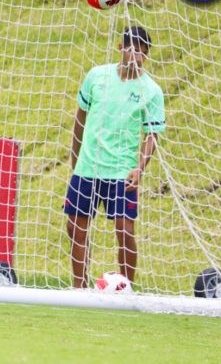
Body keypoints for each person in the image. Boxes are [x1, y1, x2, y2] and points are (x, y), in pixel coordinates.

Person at [65, 26, 166, 289]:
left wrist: (140, 168)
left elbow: (152, 134)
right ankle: (79, 288)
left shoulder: (152, 91)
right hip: (88, 167)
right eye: (132, 50)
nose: (136, 57)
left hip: (121, 172)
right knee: (75, 228)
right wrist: (74, 157)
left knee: (124, 230)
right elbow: (80, 117)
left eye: (143, 53)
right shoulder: (97, 76)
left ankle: (127, 289)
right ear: (121, 48)